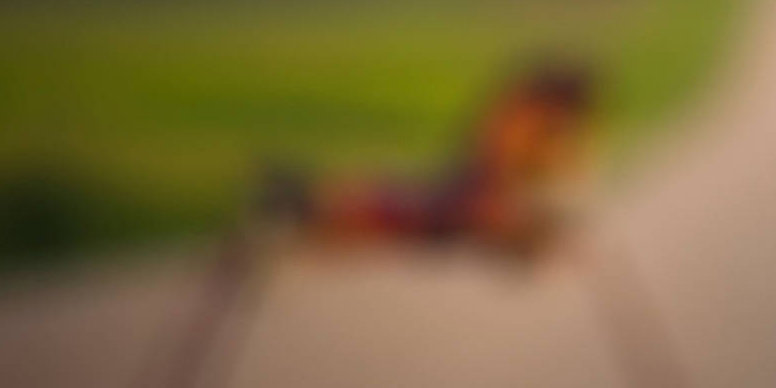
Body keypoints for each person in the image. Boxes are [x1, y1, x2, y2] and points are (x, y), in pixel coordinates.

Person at [255, 62, 598, 261]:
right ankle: (303, 200)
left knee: (404, 207)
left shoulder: (545, 126)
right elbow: (494, 164)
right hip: (475, 192)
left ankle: (304, 201)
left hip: (481, 197)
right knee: (402, 205)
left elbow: (551, 179)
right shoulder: (526, 119)